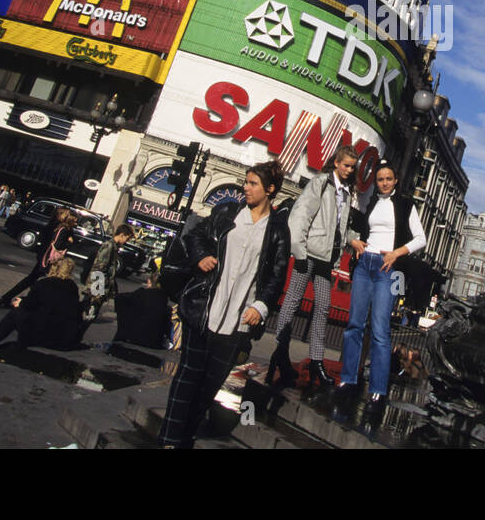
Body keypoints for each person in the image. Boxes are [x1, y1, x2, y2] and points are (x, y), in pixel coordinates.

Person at [157, 161, 290, 448]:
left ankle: (185, 439)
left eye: (253, 183)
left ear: (270, 189)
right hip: (203, 307)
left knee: (209, 385)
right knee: (187, 378)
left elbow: (277, 275)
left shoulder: (278, 230)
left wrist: (261, 306)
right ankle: (169, 440)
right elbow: (195, 236)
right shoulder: (227, 212)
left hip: (238, 320)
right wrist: (201, 256)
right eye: (246, 181)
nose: (246, 187)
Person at [336, 161, 427, 416]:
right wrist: (355, 241)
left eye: (388, 179)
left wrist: (396, 253)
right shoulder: (372, 202)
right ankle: (348, 381)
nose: (384, 183)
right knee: (354, 325)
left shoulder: (407, 205)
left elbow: (421, 239)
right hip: (365, 263)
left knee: (380, 330)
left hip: (388, 268)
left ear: (395, 180)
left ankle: (377, 391)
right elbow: (359, 229)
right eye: (380, 179)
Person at [268, 145, 361, 389]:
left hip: (326, 258)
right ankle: (280, 351)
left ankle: (317, 361)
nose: (349, 170)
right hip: (308, 253)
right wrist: (298, 250)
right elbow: (300, 215)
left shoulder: (347, 193)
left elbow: (339, 227)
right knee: (292, 302)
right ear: (337, 163)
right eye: (345, 165)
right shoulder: (321, 182)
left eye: (353, 166)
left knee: (323, 307)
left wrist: (353, 239)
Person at [0, 257, 83, 353]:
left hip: (46, 336)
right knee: (29, 308)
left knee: (15, 313)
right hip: (65, 338)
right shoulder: (72, 287)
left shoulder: (44, 284)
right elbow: (52, 304)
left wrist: (21, 302)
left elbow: (30, 304)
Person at [0, 207, 74, 306]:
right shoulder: (62, 228)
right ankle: (26, 302)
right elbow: (58, 245)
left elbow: (44, 240)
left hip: (43, 256)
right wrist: (68, 242)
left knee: (32, 280)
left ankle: (9, 298)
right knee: (47, 283)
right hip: (50, 259)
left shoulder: (52, 225)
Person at [83, 223, 135, 321]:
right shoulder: (109, 246)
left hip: (99, 290)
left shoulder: (114, 247)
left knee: (89, 318)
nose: (126, 242)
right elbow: (99, 270)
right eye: (127, 239)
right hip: (95, 291)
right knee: (87, 318)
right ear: (121, 235)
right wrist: (97, 293)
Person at [113, 269, 172, 348]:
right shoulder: (165, 301)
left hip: (131, 338)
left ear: (149, 282)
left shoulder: (140, 294)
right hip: (153, 342)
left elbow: (119, 299)